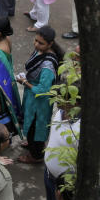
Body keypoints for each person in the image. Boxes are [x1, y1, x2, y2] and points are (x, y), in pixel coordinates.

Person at [20, 25, 65, 165]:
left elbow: (42, 90)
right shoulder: (40, 51)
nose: (36, 44)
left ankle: (36, 155)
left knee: (36, 125)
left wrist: (25, 82)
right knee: (32, 123)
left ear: (50, 44)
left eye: (41, 43)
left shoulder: (48, 66)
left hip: (39, 102)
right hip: (32, 97)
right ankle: (32, 144)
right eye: (36, 41)